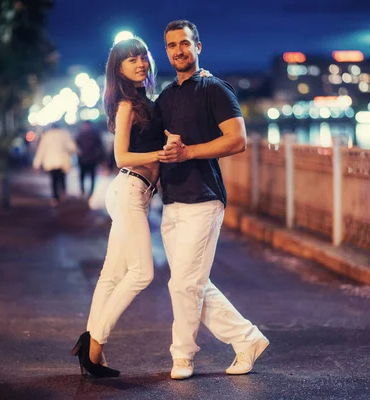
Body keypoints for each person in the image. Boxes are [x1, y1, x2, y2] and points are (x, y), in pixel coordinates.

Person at [155, 20, 269, 380]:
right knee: (192, 284)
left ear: (198, 47)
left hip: (204, 198)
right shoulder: (166, 97)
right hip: (172, 201)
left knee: (184, 284)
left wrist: (188, 153)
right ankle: (247, 338)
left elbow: (237, 140)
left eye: (185, 43)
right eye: (172, 45)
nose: (178, 50)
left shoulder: (215, 89)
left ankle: (183, 356)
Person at [71, 36, 182, 378]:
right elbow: (121, 156)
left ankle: (91, 348)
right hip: (129, 187)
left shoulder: (145, 101)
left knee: (111, 275)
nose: (140, 63)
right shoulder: (126, 105)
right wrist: (159, 155)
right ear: (118, 69)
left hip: (137, 192)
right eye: (131, 60)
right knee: (142, 272)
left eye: (142, 57)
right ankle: (93, 344)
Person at [32, 122, 77, 207]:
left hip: (50, 162)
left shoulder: (46, 136)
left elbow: (41, 151)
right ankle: (63, 194)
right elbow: (72, 147)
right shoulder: (64, 135)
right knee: (62, 178)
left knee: (53, 180)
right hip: (62, 162)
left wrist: (36, 164)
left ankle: (55, 198)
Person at [75, 121, 105, 199]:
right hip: (83, 160)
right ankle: (82, 190)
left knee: (92, 176)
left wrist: (100, 159)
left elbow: (100, 147)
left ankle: (91, 192)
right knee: (82, 176)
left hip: (92, 160)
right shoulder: (80, 135)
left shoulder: (95, 135)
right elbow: (76, 146)